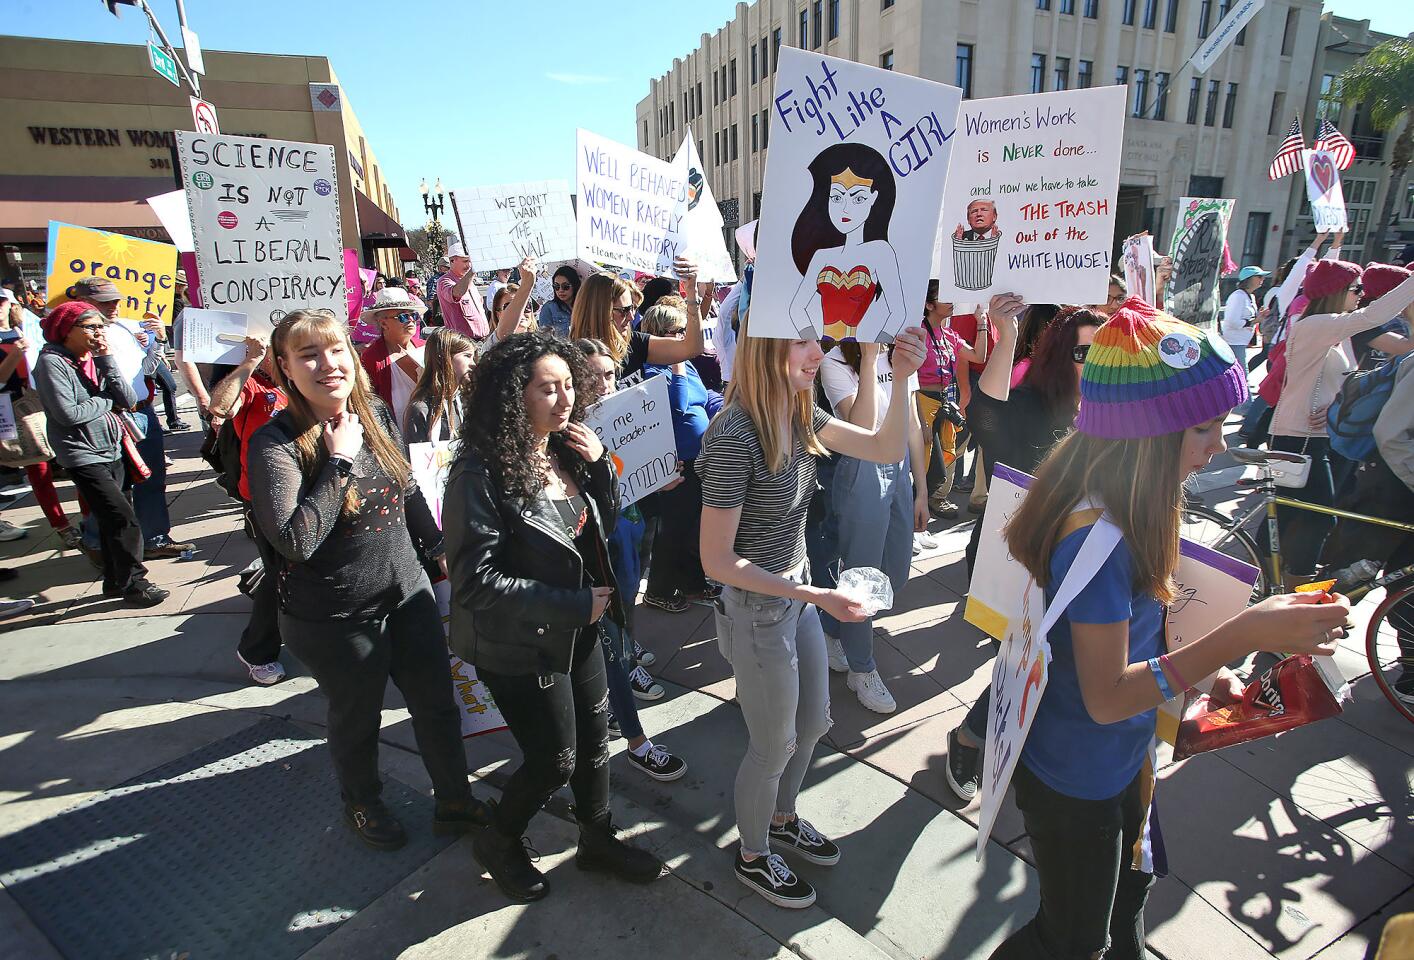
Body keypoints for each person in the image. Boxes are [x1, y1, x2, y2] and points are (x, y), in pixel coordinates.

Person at [987, 301, 1348, 959]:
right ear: (1148, 436)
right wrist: (1243, 633)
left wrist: (1199, 687)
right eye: (1205, 429)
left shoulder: (1130, 499)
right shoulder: (1098, 539)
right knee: (1071, 942)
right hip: (1078, 780)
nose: (1218, 447)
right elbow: (1106, 696)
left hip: (1122, 763)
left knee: (1129, 907)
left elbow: (1144, 636)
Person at [696, 324, 929, 909]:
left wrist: (898, 375)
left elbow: (883, 447)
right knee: (771, 745)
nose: (818, 353)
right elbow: (717, 560)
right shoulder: (734, 434)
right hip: (758, 611)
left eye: (816, 342)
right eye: (802, 343)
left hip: (797, 596)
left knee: (815, 723)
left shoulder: (799, 416)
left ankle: (780, 818)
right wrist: (822, 598)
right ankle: (753, 855)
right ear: (764, 349)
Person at [248, 309, 491, 850]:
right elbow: (295, 541)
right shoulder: (275, 442)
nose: (327, 364)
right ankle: (363, 802)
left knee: (437, 705)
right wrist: (337, 462)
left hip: (407, 594)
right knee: (357, 719)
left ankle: (454, 799)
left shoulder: (374, 410)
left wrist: (438, 552)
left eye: (336, 350)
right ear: (285, 367)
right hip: (335, 616)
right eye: (308, 354)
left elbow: (405, 492)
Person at [443, 333, 665, 902]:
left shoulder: (565, 448)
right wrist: (571, 605)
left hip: (581, 628)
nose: (564, 400)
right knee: (553, 760)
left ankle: (597, 839)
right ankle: (499, 839)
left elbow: (603, 528)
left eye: (569, 385)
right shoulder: (478, 471)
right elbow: (474, 581)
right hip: (519, 641)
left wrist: (601, 472)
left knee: (595, 742)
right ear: (514, 396)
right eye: (548, 389)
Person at [945, 303, 1106, 801]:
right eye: (1084, 352)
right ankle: (970, 738)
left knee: (1044, 663)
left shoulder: (1102, 411)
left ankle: (1009, 739)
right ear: (1061, 354)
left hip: (1071, 559)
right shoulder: (1035, 402)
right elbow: (985, 414)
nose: (1094, 361)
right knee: (1021, 662)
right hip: (1012, 556)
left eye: (1103, 353)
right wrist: (1008, 330)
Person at [1268, 261, 1414, 589]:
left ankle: (1267, 586)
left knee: (1293, 515)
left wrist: (1333, 405)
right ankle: (1292, 594)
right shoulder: (1316, 325)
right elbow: (1373, 316)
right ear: (1335, 291)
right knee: (1316, 517)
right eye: (1356, 289)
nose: (1361, 295)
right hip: (1297, 437)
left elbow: (1339, 383)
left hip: (1314, 436)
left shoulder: (1333, 332)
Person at [817, 339, 928, 713]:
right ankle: (862, 669)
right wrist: (867, 358)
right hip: (862, 466)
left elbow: (912, 425)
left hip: (898, 468)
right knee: (864, 576)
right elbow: (861, 427)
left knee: (895, 573)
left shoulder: (900, 349)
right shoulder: (835, 360)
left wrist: (921, 490)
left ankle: (833, 626)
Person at [33, 302, 167, 606]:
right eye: (92, 327)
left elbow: (128, 398)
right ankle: (136, 583)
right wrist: (107, 401)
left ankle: (113, 581)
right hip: (81, 453)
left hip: (112, 448)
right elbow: (68, 414)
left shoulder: (95, 358)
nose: (99, 332)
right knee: (124, 519)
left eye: (101, 326)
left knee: (110, 520)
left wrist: (106, 359)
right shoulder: (52, 363)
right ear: (68, 331)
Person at [70, 278, 194, 560]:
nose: (113, 306)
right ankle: (95, 542)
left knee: (152, 477)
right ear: (84, 303)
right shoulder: (77, 339)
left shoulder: (127, 326)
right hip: (109, 418)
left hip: (142, 411)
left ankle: (154, 538)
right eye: (104, 301)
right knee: (113, 487)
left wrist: (158, 342)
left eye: (115, 300)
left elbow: (146, 369)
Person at [207, 332, 288, 685]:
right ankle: (256, 650)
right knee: (281, 572)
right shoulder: (254, 384)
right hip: (265, 497)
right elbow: (221, 408)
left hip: (311, 490)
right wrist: (250, 361)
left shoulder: (304, 379)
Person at [639, 300, 718, 613]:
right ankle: (657, 590)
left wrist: (722, 405)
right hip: (677, 463)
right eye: (680, 332)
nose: (687, 337)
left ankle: (692, 583)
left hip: (700, 459)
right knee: (673, 530)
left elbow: (703, 397)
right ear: (662, 335)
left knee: (692, 527)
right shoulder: (652, 369)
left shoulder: (686, 364)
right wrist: (678, 365)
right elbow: (676, 406)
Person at [0, 301, 83, 551]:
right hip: (13, 410)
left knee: (76, 462)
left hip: (42, 403)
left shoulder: (26, 328)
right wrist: (16, 353)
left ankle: (89, 521)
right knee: (38, 469)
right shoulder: (18, 340)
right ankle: (62, 526)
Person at [918, 283, 989, 518]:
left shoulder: (949, 335)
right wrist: (921, 419)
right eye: (943, 297)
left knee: (947, 453)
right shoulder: (917, 332)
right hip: (923, 401)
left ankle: (935, 500)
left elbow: (978, 355)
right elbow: (908, 378)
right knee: (924, 460)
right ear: (929, 305)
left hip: (946, 400)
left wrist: (981, 323)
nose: (951, 301)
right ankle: (920, 506)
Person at [570, 259, 704, 383]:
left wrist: (692, 293)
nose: (631, 317)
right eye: (624, 310)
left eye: (633, 308)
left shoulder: (632, 343)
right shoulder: (572, 361)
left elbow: (692, 347)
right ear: (598, 311)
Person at [358, 287, 426, 429]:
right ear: (383, 323)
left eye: (413, 315)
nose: (411, 320)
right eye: (402, 316)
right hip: (397, 434)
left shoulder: (426, 347)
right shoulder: (371, 358)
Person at [403, 327, 476, 448]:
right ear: (445, 358)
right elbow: (418, 462)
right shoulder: (421, 409)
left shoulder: (467, 401)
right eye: (467, 356)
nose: (473, 364)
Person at [481, 258, 539, 352]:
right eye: (509, 307)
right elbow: (505, 334)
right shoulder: (493, 345)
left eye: (526, 307)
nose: (520, 312)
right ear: (498, 313)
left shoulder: (541, 345)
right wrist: (527, 284)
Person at [436, 241, 490, 341]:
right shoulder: (444, 281)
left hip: (482, 339)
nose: (469, 265)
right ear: (452, 261)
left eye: (470, 261)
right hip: (463, 342)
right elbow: (456, 293)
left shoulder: (470, 282)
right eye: (465, 261)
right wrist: (472, 272)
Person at [1221, 266, 1270, 372]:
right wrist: (1254, 321)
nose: (1263, 279)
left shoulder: (1250, 296)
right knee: (1242, 375)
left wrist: (1259, 316)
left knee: (1239, 374)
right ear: (1249, 278)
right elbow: (1232, 322)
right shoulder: (1238, 296)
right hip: (1234, 342)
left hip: (1241, 342)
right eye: (1259, 276)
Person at [537, 265, 580, 338]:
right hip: (560, 348)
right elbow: (545, 338)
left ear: (574, 285)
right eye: (556, 286)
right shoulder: (549, 308)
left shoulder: (584, 306)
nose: (560, 290)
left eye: (565, 286)